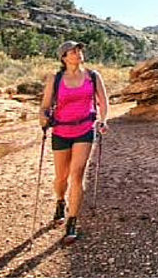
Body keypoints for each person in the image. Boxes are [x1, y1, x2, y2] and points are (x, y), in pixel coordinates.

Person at [39, 40, 109, 243]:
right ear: (63, 57)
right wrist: (43, 118)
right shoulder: (56, 78)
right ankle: (60, 201)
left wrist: (103, 120)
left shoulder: (93, 76)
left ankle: (72, 221)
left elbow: (103, 103)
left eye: (79, 50)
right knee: (61, 178)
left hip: (84, 130)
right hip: (61, 130)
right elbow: (44, 106)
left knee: (77, 174)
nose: (78, 54)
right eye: (73, 51)